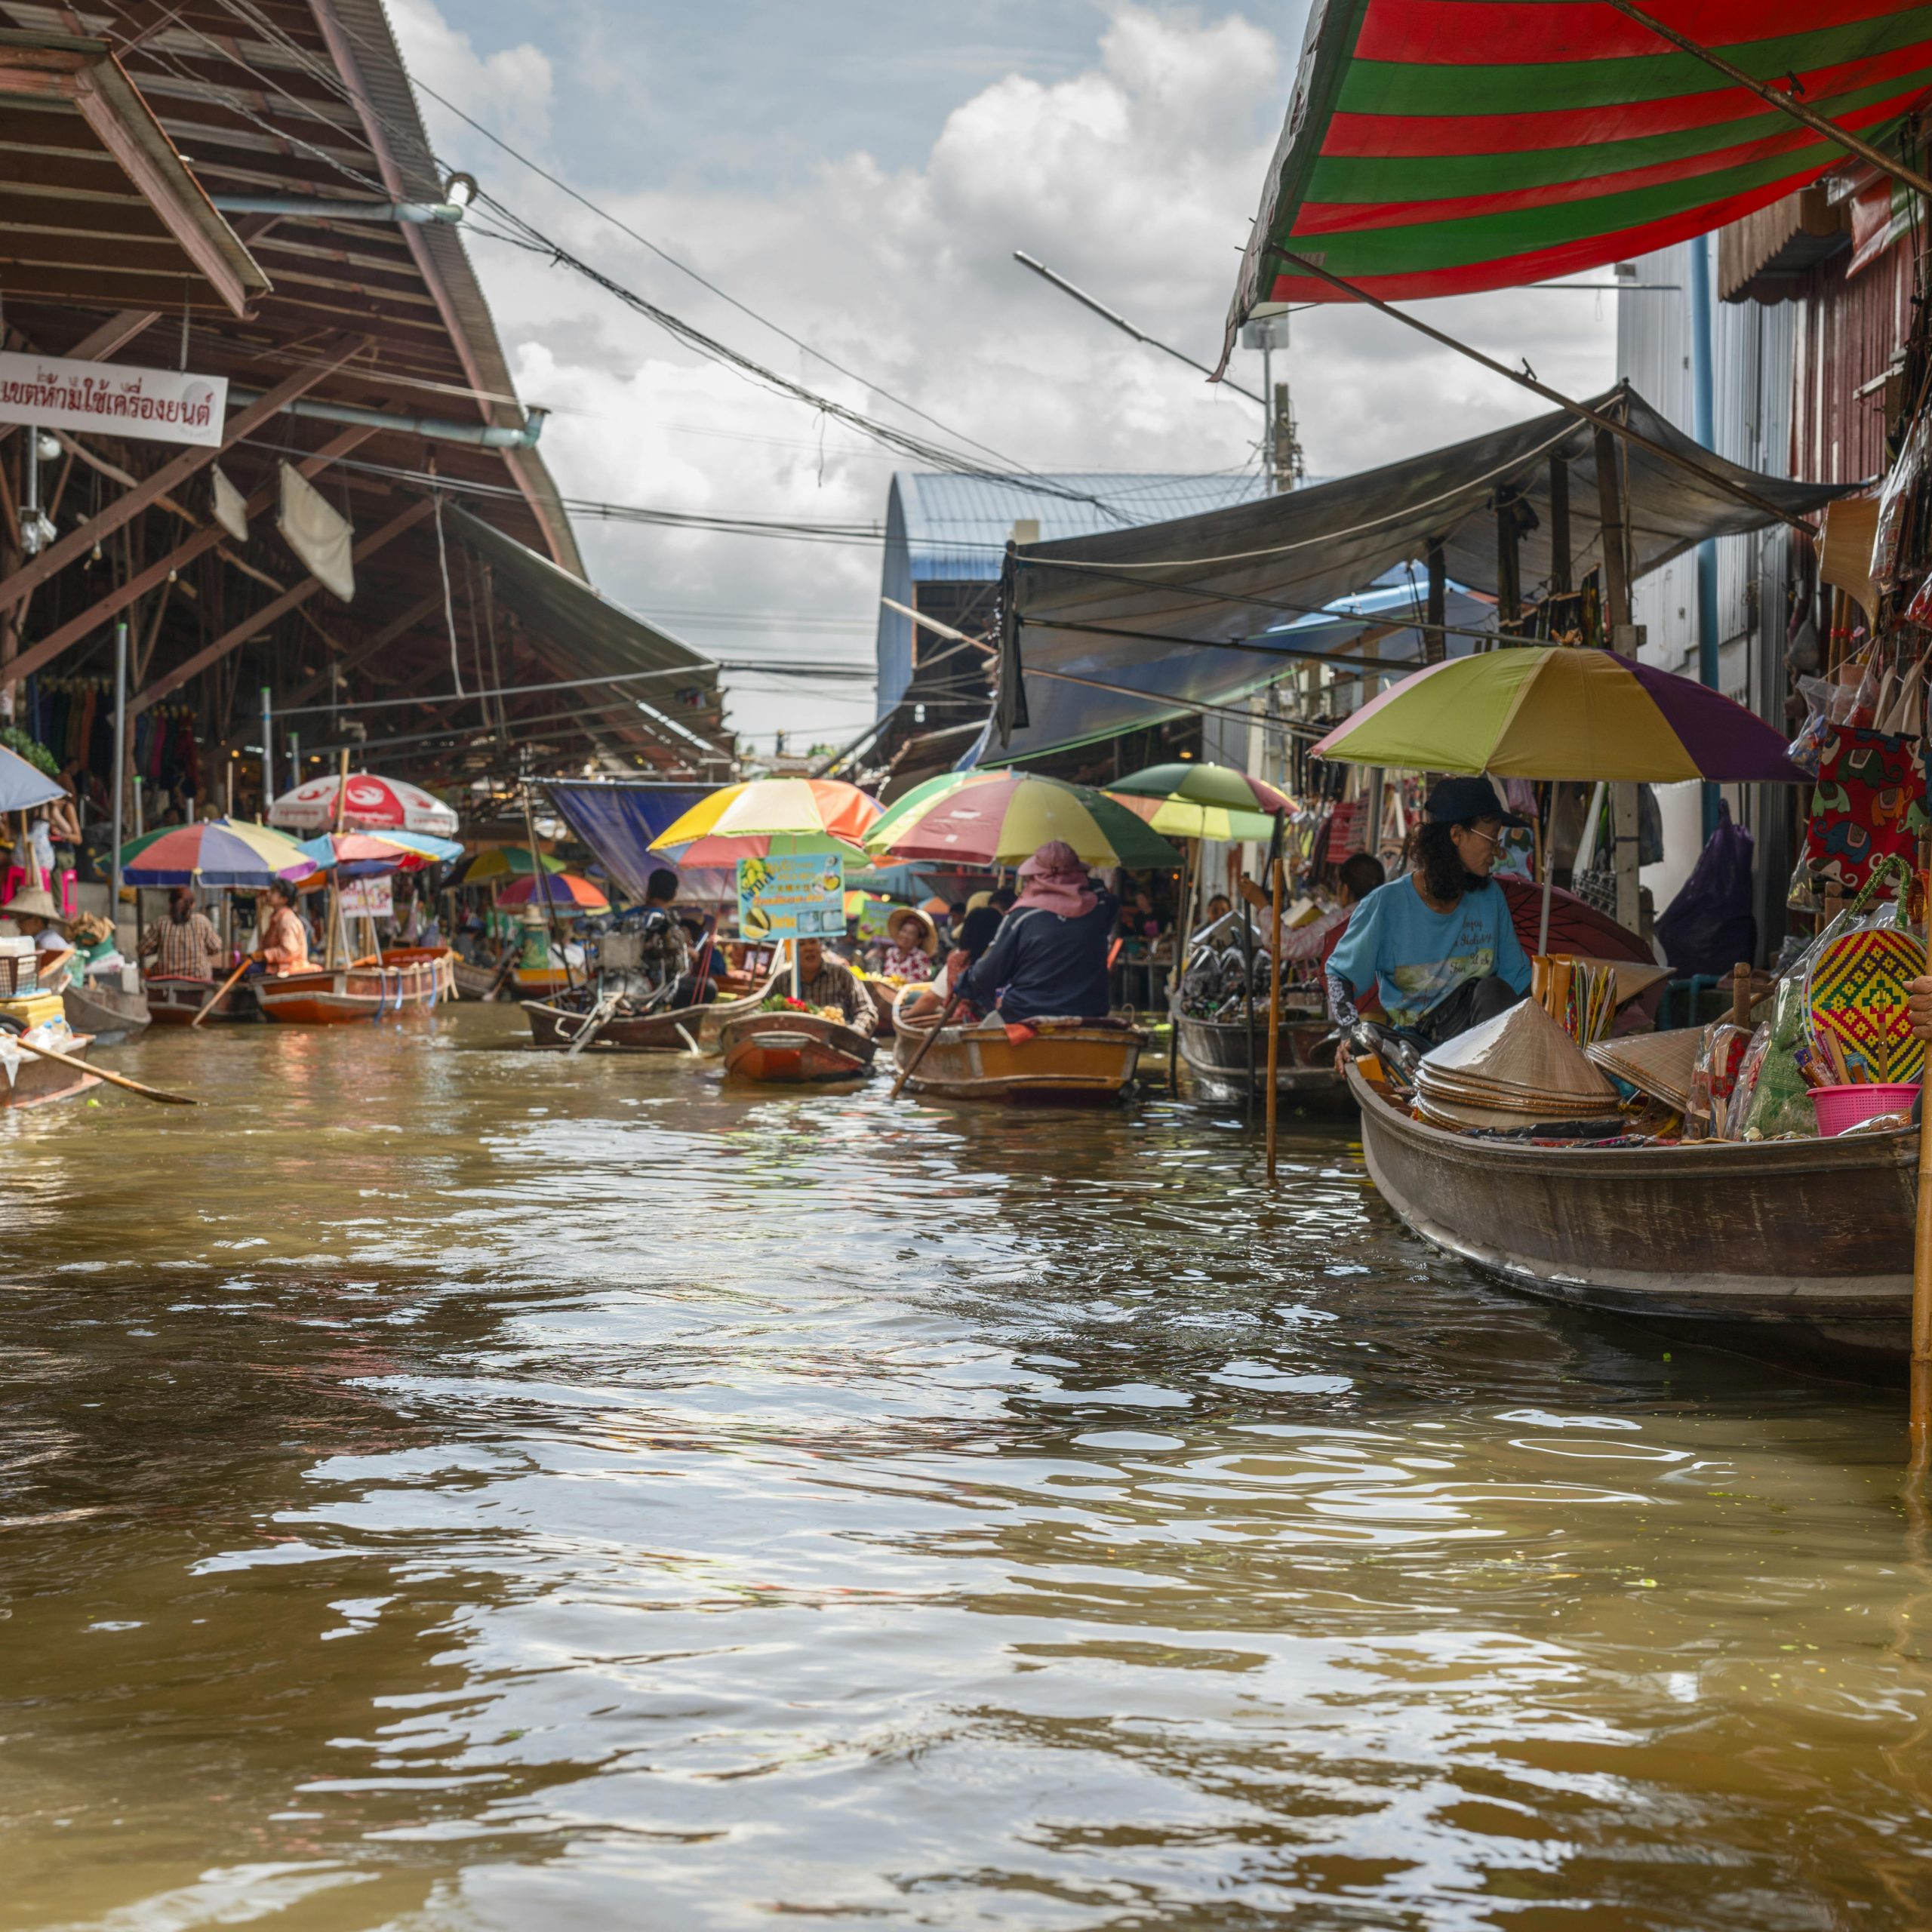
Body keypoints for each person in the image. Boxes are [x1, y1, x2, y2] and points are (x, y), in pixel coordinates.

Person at [1327, 776, 1531, 1060]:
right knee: (1364, 1040)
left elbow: (1518, 985)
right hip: (1414, 1046)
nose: (1497, 851)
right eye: (1492, 838)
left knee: (1493, 990)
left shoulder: (1491, 896)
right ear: (1457, 834)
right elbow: (1339, 975)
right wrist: (1349, 1033)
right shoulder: (1387, 904)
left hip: (1479, 1051)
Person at [955, 840, 1116, 1024]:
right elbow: (1109, 903)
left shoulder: (1022, 916)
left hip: (1024, 1013)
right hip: (1091, 1013)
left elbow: (987, 975)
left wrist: (968, 980)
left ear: (1036, 877)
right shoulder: (1100, 909)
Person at [901, 904, 1003, 1021]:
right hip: (997, 1016)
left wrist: (907, 1015)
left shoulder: (960, 959)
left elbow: (932, 999)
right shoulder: (1005, 958)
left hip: (966, 1019)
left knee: (913, 997)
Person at [794, 937, 878, 1035]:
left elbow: (867, 1010)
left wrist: (856, 1030)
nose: (809, 948)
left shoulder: (841, 975)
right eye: (801, 944)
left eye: (813, 942)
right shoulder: (782, 981)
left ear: (821, 946)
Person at [140, 885, 224, 980]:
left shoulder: (160, 922)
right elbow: (216, 947)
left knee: (148, 973)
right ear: (193, 905)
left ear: (170, 904)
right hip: (199, 977)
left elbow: (143, 949)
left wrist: (159, 946)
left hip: (165, 976)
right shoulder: (202, 922)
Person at [254, 878, 312, 977]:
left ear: (284, 899)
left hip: (289, 969)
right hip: (276, 967)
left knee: (250, 969)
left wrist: (265, 955)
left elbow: (288, 952)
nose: (268, 894)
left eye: (273, 892)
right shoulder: (276, 919)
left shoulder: (287, 921)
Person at [878, 907, 938, 980]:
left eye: (911, 934)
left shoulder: (920, 957)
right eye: (904, 931)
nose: (905, 936)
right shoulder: (891, 952)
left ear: (918, 940)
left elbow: (919, 983)